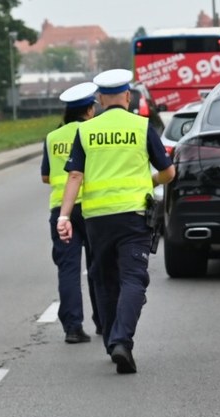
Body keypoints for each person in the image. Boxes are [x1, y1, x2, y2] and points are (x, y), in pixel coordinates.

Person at [56, 69, 175, 374]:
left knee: (104, 280)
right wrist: (149, 180)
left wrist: (65, 215)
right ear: (127, 96)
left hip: (97, 219)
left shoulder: (86, 131)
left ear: (99, 99)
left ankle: (112, 340)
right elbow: (169, 172)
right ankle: (122, 340)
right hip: (134, 216)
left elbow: (75, 175)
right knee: (133, 278)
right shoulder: (141, 126)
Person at [42, 81, 101, 344]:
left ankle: (73, 328)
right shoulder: (92, 131)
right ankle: (103, 320)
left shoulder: (52, 137)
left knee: (68, 268)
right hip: (91, 206)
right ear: (89, 110)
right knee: (97, 266)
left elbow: (46, 176)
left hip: (60, 210)